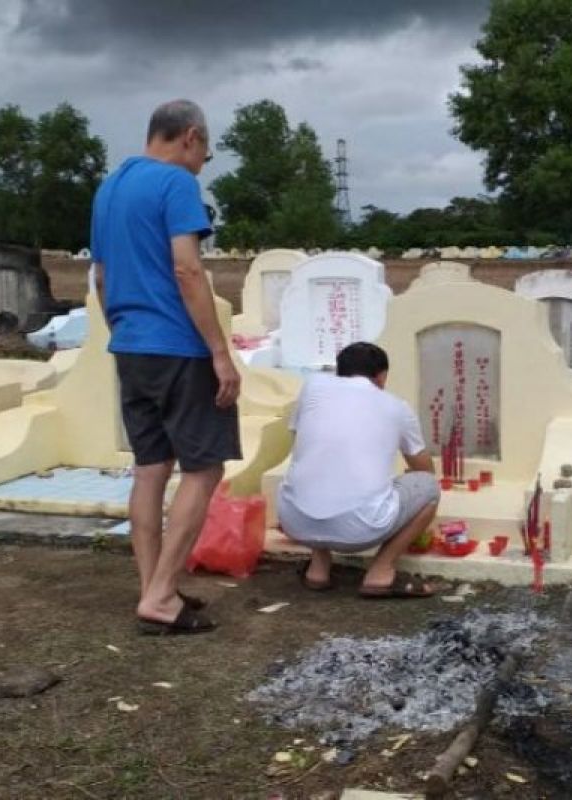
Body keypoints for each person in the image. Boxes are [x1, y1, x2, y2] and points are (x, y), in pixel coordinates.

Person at [91, 99, 241, 635]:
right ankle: (159, 598)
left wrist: (124, 333)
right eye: (206, 151)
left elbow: (103, 278)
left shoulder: (109, 188)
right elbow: (187, 269)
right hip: (178, 347)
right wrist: (220, 354)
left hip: (130, 346)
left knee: (151, 467)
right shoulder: (176, 183)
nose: (203, 163)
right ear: (191, 137)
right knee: (205, 468)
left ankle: (155, 586)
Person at [277, 342, 440, 598]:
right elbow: (423, 469)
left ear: (339, 372)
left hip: (296, 522)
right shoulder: (397, 407)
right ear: (382, 376)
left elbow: (300, 436)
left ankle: (318, 569)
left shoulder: (312, 387)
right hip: (360, 531)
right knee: (429, 488)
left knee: (318, 468)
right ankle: (381, 571)